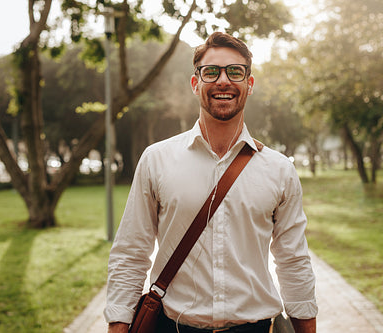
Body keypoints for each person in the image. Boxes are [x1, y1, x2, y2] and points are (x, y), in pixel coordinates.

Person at [104, 31, 317, 333]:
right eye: (211, 72)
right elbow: (131, 252)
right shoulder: (157, 159)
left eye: (235, 71)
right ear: (195, 84)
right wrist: (118, 325)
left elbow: (293, 260)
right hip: (174, 327)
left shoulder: (279, 169)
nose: (223, 81)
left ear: (249, 84)